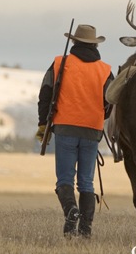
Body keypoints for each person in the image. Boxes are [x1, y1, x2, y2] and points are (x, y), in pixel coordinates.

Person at [36, 24, 114, 238]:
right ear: (95, 44)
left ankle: (71, 212)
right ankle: (85, 229)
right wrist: (99, 116)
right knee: (86, 182)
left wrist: (43, 124)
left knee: (64, 179)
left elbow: (45, 94)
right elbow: (112, 103)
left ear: (73, 42)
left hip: (64, 128)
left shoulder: (60, 63)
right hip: (92, 131)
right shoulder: (106, 70)